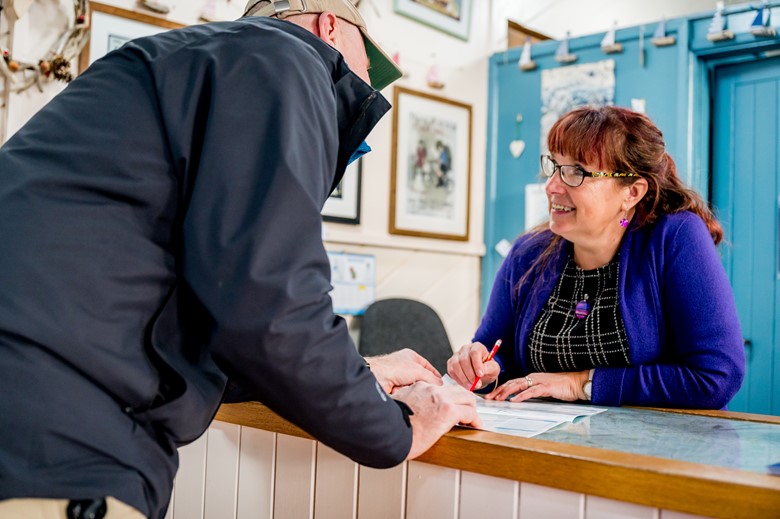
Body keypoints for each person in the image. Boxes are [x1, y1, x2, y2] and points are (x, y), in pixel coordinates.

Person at [0, 1, 480, 517]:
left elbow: (217, 307)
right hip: (59, 428)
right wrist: (402, 428)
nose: (367, 82)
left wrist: (359, 369)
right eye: (369, 66)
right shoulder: (287, 59)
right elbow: (269, 302)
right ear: (330, 26)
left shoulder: (193, 62)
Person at [447, 105, 745, 410]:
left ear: (632, 192)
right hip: (544, 444)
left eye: (576, 172)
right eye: (554, 166)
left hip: (658, 447)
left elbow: (716, 377)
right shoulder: (527, 253)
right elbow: (498, 350)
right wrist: (483, 366)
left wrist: (581, 383)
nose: (551, 186)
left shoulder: (676, 236)